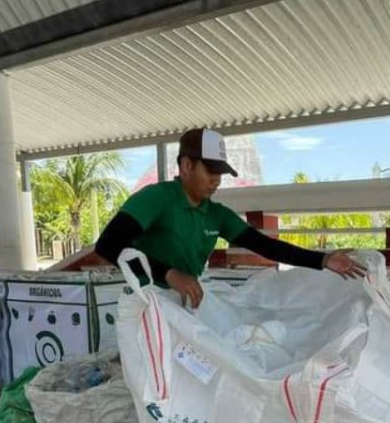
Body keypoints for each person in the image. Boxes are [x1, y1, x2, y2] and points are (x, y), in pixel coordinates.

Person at [94, 128, 365, 309]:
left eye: (220, 173)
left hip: (186, 304)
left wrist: (323, 259)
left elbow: (266, 246)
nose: (216, 181)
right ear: (186, 165)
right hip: (147, 304)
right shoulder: (156, 198)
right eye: (210, 171)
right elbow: (108, 245)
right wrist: (169, 273)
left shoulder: (216, 215)